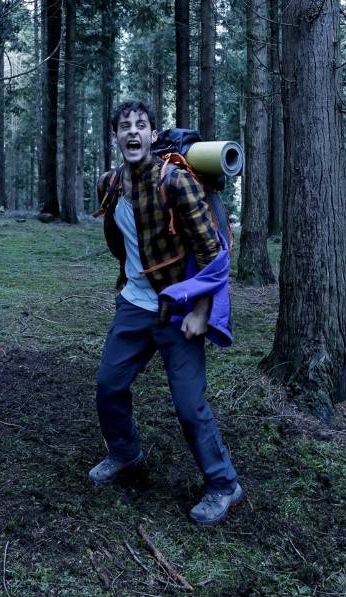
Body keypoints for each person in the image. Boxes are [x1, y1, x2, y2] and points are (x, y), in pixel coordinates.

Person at [89, 99, 243, 526]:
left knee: (189, 405)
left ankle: (223, 484)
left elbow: (212, 254)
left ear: (153, 135)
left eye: (141, 125)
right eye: (125, 126)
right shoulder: (110, 183)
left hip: (179, 311)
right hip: (135, 305)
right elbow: (119, 242)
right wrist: (131, 282)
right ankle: (124, 452)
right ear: (116, 136)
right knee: (109, 386)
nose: (133, 132)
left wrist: (202, 310)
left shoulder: (176, 182)